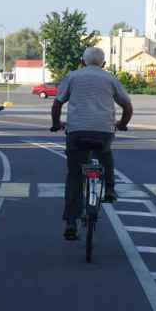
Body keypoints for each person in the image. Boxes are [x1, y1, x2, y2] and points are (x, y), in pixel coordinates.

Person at [51, 47, 133, 240]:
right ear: (104, 64)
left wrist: (56, 124)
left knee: (74, 175)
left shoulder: (72, 76)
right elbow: (127, 106)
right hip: (103, 131)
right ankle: (111, 189)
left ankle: (71, 222)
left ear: (82, 61)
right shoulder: (110, 78)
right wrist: (122, 124)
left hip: (77, 132)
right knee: (105, 153)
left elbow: (57, 103)